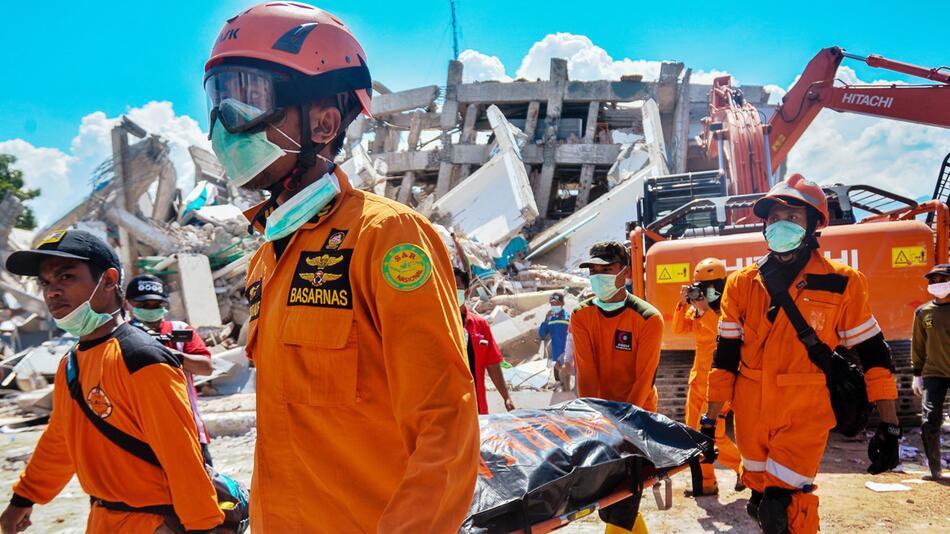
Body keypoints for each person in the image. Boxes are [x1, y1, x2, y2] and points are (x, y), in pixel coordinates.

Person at [204, 3, 478, 531]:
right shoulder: (268, 256)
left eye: (248, 100)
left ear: (325, 122)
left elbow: (446, 425)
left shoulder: (386, 237)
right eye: (218, 99)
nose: (223, 125)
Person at [705, 174, 901, 533]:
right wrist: (709, 420)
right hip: (750, 415)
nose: (780, 224)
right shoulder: (742, 283)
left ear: (813, 225)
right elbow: (725, 357)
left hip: (804, 411)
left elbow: (874, 355)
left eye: (792, 217)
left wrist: (889, 424)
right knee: (761, 503)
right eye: (774, 217)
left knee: (785, 508)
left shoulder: (842, 282)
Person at [0, 230, 222, 533]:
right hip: (104, 518)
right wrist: (23, 499)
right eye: (46, 282)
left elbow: (182, 456)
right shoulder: (72, 362)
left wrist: (203, 525)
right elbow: (61, 439)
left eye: (66, 277)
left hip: (155, 523)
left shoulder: (141, 358)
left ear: (107, 280)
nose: (51, 291)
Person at [570, 241, 662, 534]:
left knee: (621, 501)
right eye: (593, 270)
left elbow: (644, 380)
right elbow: (586, 374)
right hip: (599, 418)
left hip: (637, 418)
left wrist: (624, 428)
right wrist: (595, 424)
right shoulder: (581, 315)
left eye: (606, 269)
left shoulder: (648, 318)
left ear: (624, 272)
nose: (598, 276)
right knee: (615, 503)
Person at [125, 274, 215, 465]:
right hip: (141, 434)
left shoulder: (179, 329)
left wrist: (169, 353)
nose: (150, 309)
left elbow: (206, 367)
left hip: (189, 428)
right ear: (128, 304)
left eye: (156, 305)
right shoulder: (123, 336)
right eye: (143, 305)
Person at [671, 258, 743, 497]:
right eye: (702, 286)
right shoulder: (697, 312)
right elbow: (679, 330)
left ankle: (743, 468)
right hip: (697, 381)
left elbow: (722, 332)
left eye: (711, 286)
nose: (706, 292)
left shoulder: (730, 310)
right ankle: (706, 483)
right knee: (695, 434)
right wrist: (682, 305)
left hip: (720, 384)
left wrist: (705, 310)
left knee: (716, 434)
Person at [455, 268, 515, 413]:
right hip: (446, 407)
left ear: (467, 292)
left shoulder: (479, 325)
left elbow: (493, 364)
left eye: (457, 288)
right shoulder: (437, 324)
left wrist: (506, 397)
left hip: (476, 406)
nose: (452, 293)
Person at [911, 263, 950, 481]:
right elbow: (918, 344)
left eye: (942, 279)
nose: (936, 284)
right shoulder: (923, 313)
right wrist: (917, 374)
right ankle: (935, 470)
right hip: (933, 374)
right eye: (932, 281)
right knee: (929, 422)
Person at [538, 292, 571, 390]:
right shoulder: (550, 318)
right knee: (559, 382)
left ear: (562, 304)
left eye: (556, 304)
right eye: (552, 304)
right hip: (556, 356)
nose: (554, 306)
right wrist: (545, 320)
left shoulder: (568, 317)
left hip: (567, 355)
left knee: (567, 384)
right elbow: (542, 334)